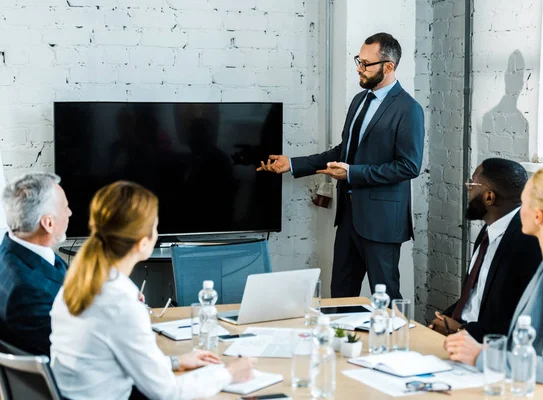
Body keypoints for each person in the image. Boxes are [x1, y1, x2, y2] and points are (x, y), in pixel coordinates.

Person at [257, 32, 424, 300]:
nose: (359, 68)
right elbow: (343, 151)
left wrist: (352, 173)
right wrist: (293, 164)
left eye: (366, 64)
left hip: (382, 223)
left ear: (389, 67)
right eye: (359, 60)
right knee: (341, 295)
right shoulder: (360, 101)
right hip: (348, 218)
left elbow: (409, 166)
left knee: (387, 297)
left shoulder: (408, 109)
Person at [50, 181, 254, 400]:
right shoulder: (121, 304)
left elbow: (103, 363)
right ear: (142, 243)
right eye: (155, 228)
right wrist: (228, 373)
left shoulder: (74, 286)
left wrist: (174, 361)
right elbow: (167, 393)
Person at [444, 167, 543, 398]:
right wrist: (484, 349)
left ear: (538, 216)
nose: (518, 211)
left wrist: (481, 356)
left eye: (523, 203)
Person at [428, 158, 542, 342]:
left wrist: (461, 331)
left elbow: (516, 316)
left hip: (485, 346)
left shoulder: (526, 241)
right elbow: (475, 294)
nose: (468, 190)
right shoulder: (489, 230)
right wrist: (445, 319)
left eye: (472, 185)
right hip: (461, 334)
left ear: (489, 197)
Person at [0, 172, 72, 355]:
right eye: (66, 208)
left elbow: (67, 279)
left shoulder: (17, 249)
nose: (70, 213)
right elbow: (73, 347)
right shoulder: (24, 290)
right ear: (48, 223)